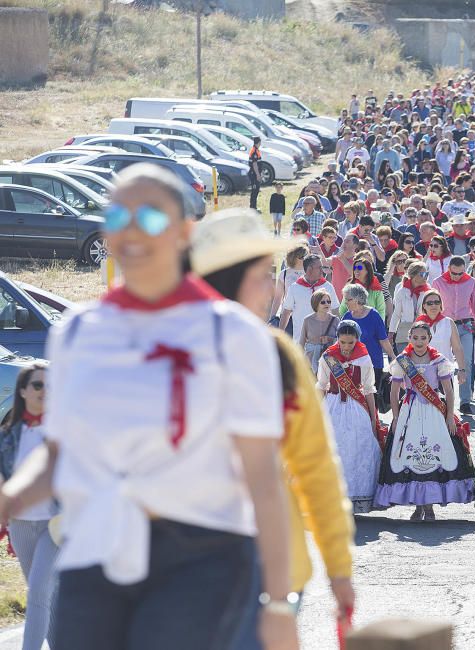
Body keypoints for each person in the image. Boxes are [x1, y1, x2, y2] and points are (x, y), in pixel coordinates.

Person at [0, 165, 297, 650]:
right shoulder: (78, 332)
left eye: (151, 218)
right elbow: (61, 452)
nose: (133, 230)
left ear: (185, 233)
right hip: (95, 550)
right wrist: (11, 495)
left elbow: (262, 476)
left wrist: (280, 605)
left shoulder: (233, 335)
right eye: (119, 216)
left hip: (202, 556)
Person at [191, 208, 356, 647]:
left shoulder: (277, 354)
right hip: (187, 573)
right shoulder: (166, 354)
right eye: (264, 274)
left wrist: (339, 566)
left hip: (269, 574)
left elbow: (315, 466)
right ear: (227, 277)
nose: (273, 286)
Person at [376, 323, 475, 521]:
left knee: (433, 457)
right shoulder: (402, 361)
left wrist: (449, 416)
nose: (419, 342)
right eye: (415, 338)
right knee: (411, 458)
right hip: (410, 411)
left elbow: (448, 390)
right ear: (410, 338)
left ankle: (429, 506)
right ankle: (418, 505)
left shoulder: (438, 361)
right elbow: (395, 392)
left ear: (429, 338)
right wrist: (396, 418)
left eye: (423, 338)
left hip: (434, 412)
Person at [0, 363, 58, 650]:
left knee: (38, 593)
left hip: (57, 524)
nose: (44, 391)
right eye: (37, 385)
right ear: (23, 391)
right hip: (21, 524)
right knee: (47, 597)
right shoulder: (7, 437)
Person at [317, 320, 382, 514]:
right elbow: (321, 385)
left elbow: (369, 389)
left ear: (357, 340)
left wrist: (372, 417)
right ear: (337, 339)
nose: (346, 347)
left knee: (358, 450)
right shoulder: (328, 357)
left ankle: (355, 499)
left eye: (350, 342)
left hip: (357, 409)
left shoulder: (363, 358)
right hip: (333, 406)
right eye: (342, 342)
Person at [431, 257, 475, 414]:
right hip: (444, 325)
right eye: (454, 273)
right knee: (442, 359)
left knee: (465, 360)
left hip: (465, 325)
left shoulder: (471, 281)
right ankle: (442, 397)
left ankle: (465, 400)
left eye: (460, 273)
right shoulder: (438, 282)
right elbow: (431, 303)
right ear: (448, 269)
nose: (457, 276)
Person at [340, 283, 395, 407]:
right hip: (351, 365)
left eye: (348, 300)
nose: (346, 303)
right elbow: (340, 342)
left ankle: (373, 424)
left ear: (358, 299)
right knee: (354, 400)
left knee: (371, 399)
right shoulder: (347, 316)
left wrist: (392, 357)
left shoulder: (374, 315)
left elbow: (383, 340)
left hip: (373, 363)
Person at [415, 289, 467, 412]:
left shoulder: (448, 322)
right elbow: (412, 348)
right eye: (429, 303)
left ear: (441, 305)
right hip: (423, 372)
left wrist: (462, 369)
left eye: (436, 302)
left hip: (444, 372)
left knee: (445, 409)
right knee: (424, 410)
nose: (433, 305)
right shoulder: (418, 323)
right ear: (424, 306)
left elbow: (457, 348)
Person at [280, 253, 337, 337]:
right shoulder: (295, 288)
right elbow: (286, 312)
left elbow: (335, 310)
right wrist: (280, 334)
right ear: (309, 269)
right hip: (300, 340)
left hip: (324, 341)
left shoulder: (327, 286)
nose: (322, 270)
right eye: (319, 268)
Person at [389, 261, 430, 351]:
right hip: (405, 332)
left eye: (427, 274)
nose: (426, 277)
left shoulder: (429, 292)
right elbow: (397, 314)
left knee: (421, 363)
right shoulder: (402, 291)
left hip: (423, 332)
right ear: (414, 276)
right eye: (423, 274)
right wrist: (391, 332)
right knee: (405, 363)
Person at [298, 289, 339, 373]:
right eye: (323, 302)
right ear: (316, 303)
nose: (327, 304)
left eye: (329, 301)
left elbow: (340, 340)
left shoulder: (335, 320)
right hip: (310, 359)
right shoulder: (307, 320)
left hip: (330, 358)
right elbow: (301, 342)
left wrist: (329, 339)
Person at [339, 256, 387, 321]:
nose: (356, 270)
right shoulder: (350, 288)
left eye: (359, 268)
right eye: (355, 268)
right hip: (353, 325)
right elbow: (342, 309)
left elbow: (381, 310)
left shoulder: (376, 288)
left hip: (370, 325)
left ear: (367, 270)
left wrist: (379, 326)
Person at [248, 135, 262, 211]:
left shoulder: (255, 150)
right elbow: (254, 164)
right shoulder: (254, 151)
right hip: (254, 174)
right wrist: (258, 175)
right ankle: (253, 208)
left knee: (256, 191)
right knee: (254, 191)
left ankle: (254, 207)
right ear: (259, 142)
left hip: (255, 173)